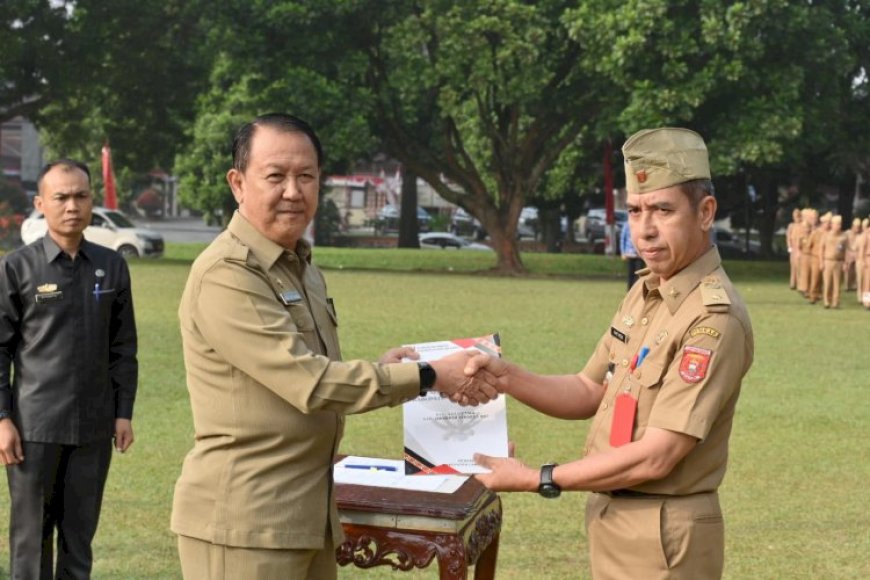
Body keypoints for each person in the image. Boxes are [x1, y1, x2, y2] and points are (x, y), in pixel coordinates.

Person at [171, 113, 496, 580]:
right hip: (245, 526)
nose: (293, 191)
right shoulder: (227, 274)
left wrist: (383, 367)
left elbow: (317, 370)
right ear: (238, 183)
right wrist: (427, 376)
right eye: (276, 176)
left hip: (308, 518)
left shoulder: (301, 267)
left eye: (306, 176)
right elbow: (312, 383)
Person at [466, 128, 754, 579]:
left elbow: (659, 454)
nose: (646, 229)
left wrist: (537, 477)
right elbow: (588, 389)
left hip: (663, 532)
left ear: (705, 212)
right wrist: (505, 377)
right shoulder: (647, 291)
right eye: (635, 211)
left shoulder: (712, 318)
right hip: (616, 518)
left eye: (663, 210)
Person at [0, 159, 138, 579]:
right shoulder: (17, 267)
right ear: (41, 204)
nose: (72, 206)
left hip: (94, 428)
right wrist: (3, 418)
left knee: (79, 543)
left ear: (92, 201)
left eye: (81, 196)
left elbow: (123, 347)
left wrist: (123, 412)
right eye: (61, 197)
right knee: (30, 544)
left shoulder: (111, 265)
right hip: (33, 428)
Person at [820, 215, 848, 309]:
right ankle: (826, 301)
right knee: (827, 282)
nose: (839, 226)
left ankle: (835, 301)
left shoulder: (844, 236)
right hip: (828, 261)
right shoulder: (826, 235)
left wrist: (845, 263)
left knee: (837, 284)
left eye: (840, 224)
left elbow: (846, 251)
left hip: (839, 262)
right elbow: (821, 249)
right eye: (837, 224)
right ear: (832, 225)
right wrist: (821, 262)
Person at [807, 211, 831, 304]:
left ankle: (822, 294)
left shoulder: (829, 233)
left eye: (829, 223)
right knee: (815, 277)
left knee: (824, 279)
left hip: (826, 257)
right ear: (823, 223)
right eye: (827, 223)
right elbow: (809, 244)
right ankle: (813, 295)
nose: (828, 225)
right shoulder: (816, 233)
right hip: (816, 257)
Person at [619, 218, 643, 290]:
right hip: (630, 254)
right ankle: (629, 292)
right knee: (630, 275)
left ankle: (638, 292)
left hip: (639, 255)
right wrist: (623, 252)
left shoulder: (641, 224)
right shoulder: (626, 225)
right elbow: (622, 239)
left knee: (639, 275)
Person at [786, 207, 803, 290]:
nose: (796, 218)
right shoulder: (791, 226)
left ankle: (800, 284)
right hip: (793, 248)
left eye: (798, 216)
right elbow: (788, 237)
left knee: (800, 266)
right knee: (793, 267)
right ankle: (793, 283)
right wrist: (789, 246)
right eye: (795, 216)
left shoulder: (803, 225)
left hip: (800, 249)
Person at [845, 217, 861, 293]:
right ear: (852, 226)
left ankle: (854, 285)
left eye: (858, 227)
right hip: (848, 252)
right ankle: (847, 285)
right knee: (848, 270)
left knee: (856, 270)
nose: (857, 229)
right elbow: (844, 244)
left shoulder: (860, 235)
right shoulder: (847, 233)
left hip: (857, 253)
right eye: (856, 227)